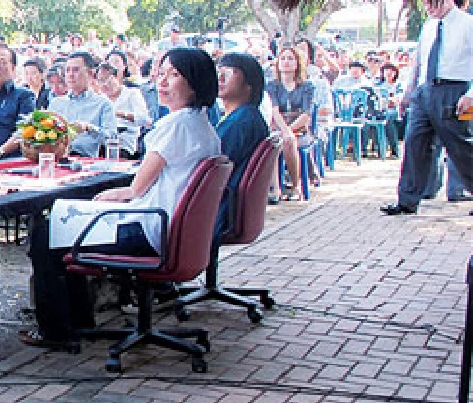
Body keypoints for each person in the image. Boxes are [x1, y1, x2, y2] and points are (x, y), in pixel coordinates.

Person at [21, 47, 222, 348]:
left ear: (196, 82)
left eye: (175, 75)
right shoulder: (203, 126)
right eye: (162, 74)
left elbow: (135, 189)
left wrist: (99, 200)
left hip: (147, 229)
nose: (164, 82)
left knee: (46, 234)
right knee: (64, 225)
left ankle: (58, 332)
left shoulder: (176, 126)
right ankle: (79, 321)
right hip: (166, 227)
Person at [383, 0, 473, 215]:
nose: (428, 7)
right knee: (415, 143)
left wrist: (471, 95)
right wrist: (408, 92)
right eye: (425, 2)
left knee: (460, 147)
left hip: (453, 90)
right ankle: (407, 199)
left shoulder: (467, 24)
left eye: (432, 0)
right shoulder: (429, 26)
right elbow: (419, 62)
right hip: (425, 91)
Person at [214, 53, 272, 238]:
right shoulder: (245, 117)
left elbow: (210, 165)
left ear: (249, 83)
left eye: (229, 73)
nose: (220, 78)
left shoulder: (241, 122)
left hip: (216, 211)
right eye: (219, 72)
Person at [265, 45, 315, 199]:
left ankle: (295, 186)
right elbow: (274, 110)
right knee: (273, 143)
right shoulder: (272, 86)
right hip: (278, 127)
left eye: (290, 58)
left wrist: (289, 130)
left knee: (289, 140)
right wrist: (283, 129)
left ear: (297, 63)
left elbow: (306, 114)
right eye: (283, 58)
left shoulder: (307, 86)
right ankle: (274, 188)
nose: (286, 62)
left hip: (300, 130)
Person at [48, 51, 117, 157]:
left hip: (85, 161)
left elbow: (111, 138)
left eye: (76, 70)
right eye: (67, 70)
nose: (70, 75)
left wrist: (89, 128)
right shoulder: (56, 103)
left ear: (90, 74)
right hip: (57, 158)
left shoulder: (103, 104)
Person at [93, 62, 150, 158]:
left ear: (116, 78)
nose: (104, 85)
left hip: (124, 142)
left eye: (107, 80)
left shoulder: (132, 94)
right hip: (103, 141)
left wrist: (121, 114)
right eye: (100, 81)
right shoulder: (100, 99)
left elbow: (145, 119)